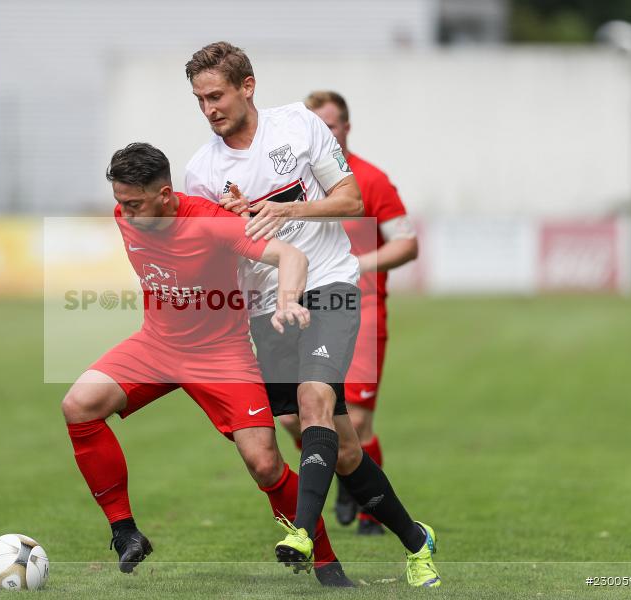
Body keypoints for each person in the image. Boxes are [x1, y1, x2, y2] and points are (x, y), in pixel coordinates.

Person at [184, 41, 441, 587]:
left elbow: (350, 200)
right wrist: (232, 227)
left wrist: (287, 208)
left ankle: (302, 532)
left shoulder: (298, 127)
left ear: (247, 86)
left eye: (217, 95)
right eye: (199, 99)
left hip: (329, 284)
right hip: (264, 307)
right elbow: (215, 251)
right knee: (338, 445)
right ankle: (417, 541)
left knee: (313, 398)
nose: (209, 108)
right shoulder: (201, 170)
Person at [61, 142, 354, 587]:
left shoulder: (211, 222)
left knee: (264, 464)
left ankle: (326, 564)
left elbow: (291, 256)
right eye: (120, 202)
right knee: (79, 404)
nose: (125, 213)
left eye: (135, 203)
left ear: (165, 194)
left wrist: (289, 300)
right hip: (155, 346)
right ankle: (125, 532)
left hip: (220, 355)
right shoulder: (128, 215)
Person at [278, 91, 419, 536]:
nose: (325, 132)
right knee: (290, 415)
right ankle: (342, 466)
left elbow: (406, 242)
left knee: (354, 419)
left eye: (332, 125)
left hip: (361, 305)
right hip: (301, 306)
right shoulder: (291, 180)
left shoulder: (370, 180)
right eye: (316, 125)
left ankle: (362, 506)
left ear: (346, 129)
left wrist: (363, 263)